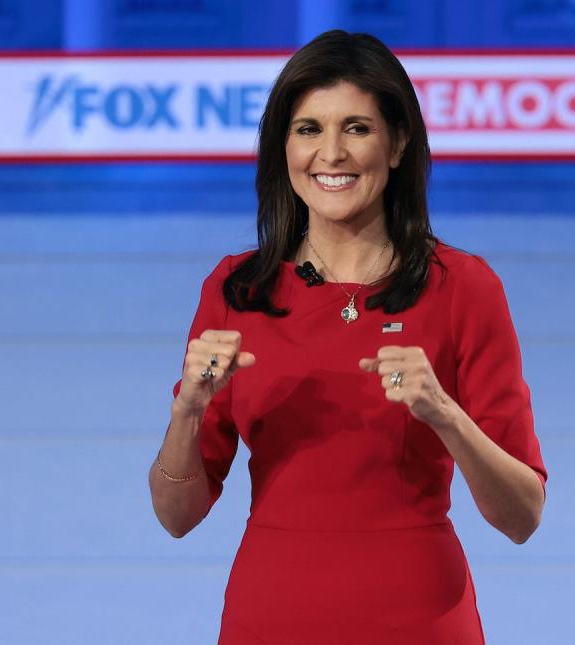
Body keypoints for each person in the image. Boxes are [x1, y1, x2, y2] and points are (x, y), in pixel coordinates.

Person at [148, 29, 547, 644]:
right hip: (270, 615)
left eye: (356, 128)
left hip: (420, 617)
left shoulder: (465, 287)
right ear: (283, 147)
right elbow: (177, 517)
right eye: (308, 129)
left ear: (398, 143)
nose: (330, 153)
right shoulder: (236, 289)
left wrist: (444, 414)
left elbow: (522, 517)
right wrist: (188, 410)